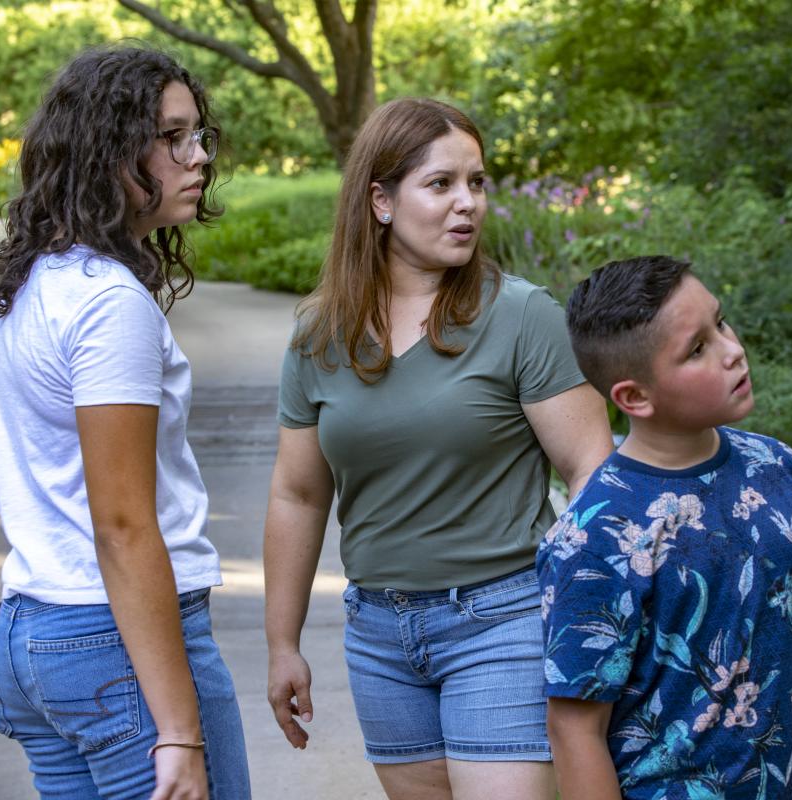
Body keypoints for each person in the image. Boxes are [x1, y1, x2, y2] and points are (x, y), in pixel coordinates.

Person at [264, 97, 614, 800]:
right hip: (379, 636)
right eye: (442, 184)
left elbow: (592, 472)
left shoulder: (521, 315)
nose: (468, 205)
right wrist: (282, 644)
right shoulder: (319, 335)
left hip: (505, 620)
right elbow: (297, 494)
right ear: (381, 200)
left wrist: (589, 616)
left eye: (477, 183)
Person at [0, 46, 250, 800]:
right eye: (172, 137)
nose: (197, 157)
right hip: (115, 648)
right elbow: (124, 524)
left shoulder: (34, 281)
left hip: (35, 637)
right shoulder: (107, 303)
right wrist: (179, 728)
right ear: (108, 150)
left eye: (199, 135)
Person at [539, 256, 792, 799]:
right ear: (634, 397)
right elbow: (575, 727)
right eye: (697, 349)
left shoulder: (777, 468)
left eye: (720, 323)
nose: (732, 350)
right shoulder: (598, 534)